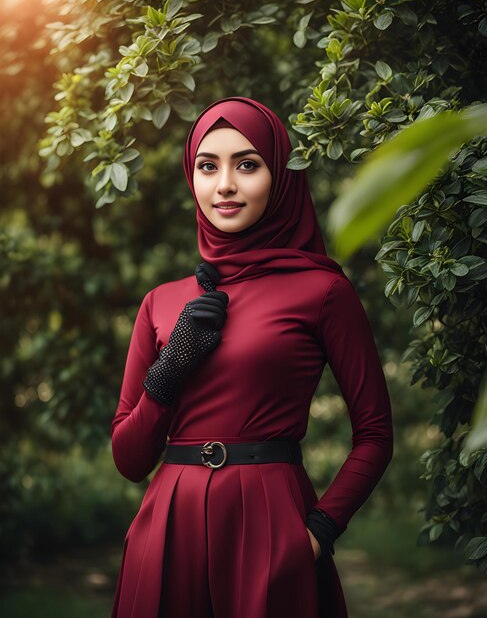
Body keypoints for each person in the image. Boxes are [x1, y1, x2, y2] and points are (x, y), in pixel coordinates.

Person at [109, 96, 394, 618]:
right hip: (167, 528)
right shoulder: (162, 301)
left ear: (279, 175)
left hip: (271, 523)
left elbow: (374, 435)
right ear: (190, 178)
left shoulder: (322, 291)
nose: (224, 185)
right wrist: (171, 368)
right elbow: (129, 461)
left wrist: (319, 531)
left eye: (246, 164)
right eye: (207, 166)